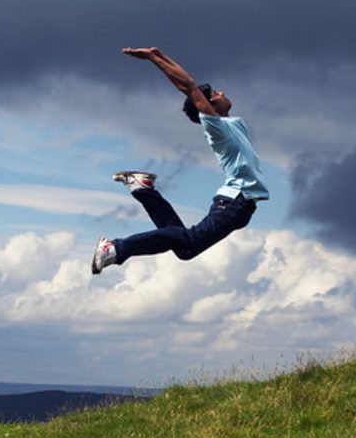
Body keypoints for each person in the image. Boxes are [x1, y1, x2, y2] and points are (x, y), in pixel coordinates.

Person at [91, 47, 269, 274]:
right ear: (208, 106)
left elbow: (192, 88)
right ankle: (116, 247)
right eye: (215, 93)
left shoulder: (234, 124)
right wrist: (154, 59)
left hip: (238, 204)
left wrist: (158, 53)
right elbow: (188, 86)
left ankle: (142, 188)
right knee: (189, 243)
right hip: (236, 202)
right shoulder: (217, 128)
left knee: (185, 247)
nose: (221, 92)